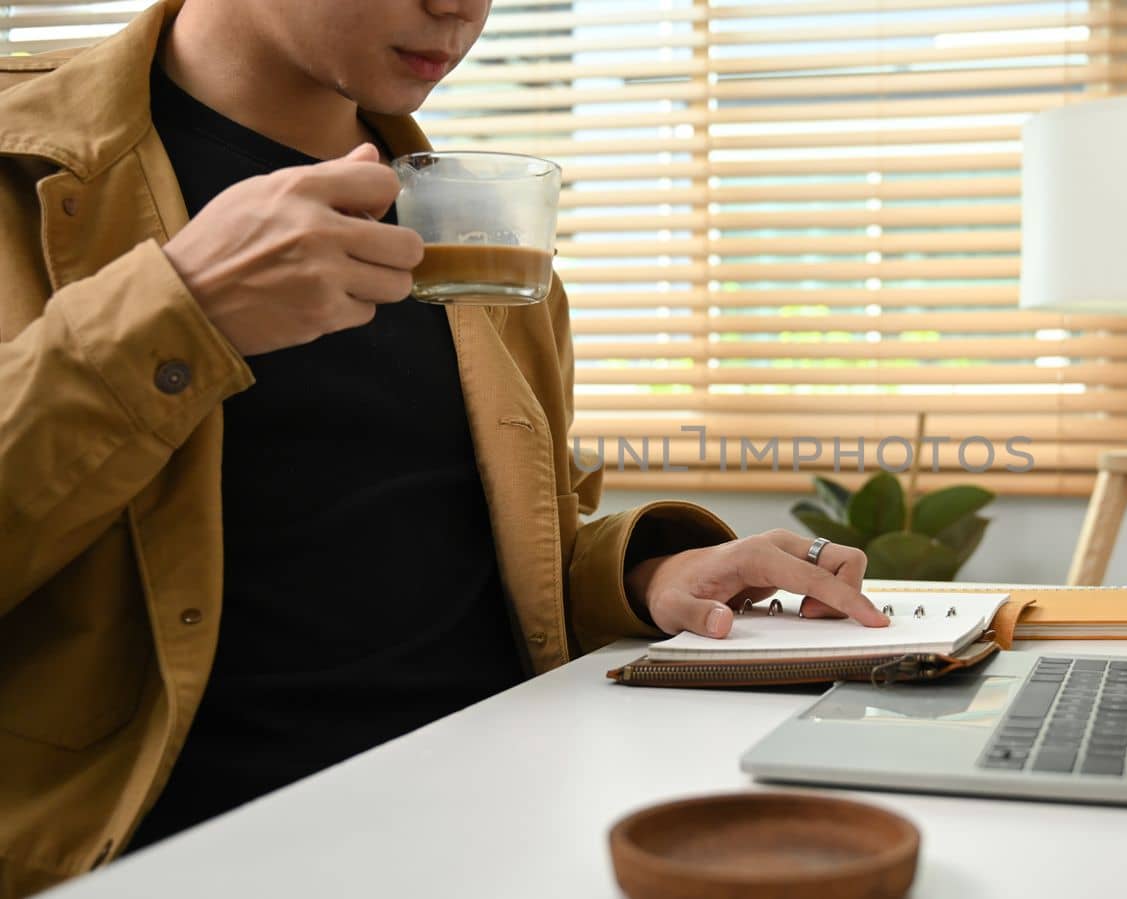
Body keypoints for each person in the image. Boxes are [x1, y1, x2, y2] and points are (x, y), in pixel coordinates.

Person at [0, 1, 889, 894]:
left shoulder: (481, 225)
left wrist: (641, 575)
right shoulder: (18, 167)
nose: (460, 7)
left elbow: (457, 555)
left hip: (503, 824)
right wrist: (176, 312)